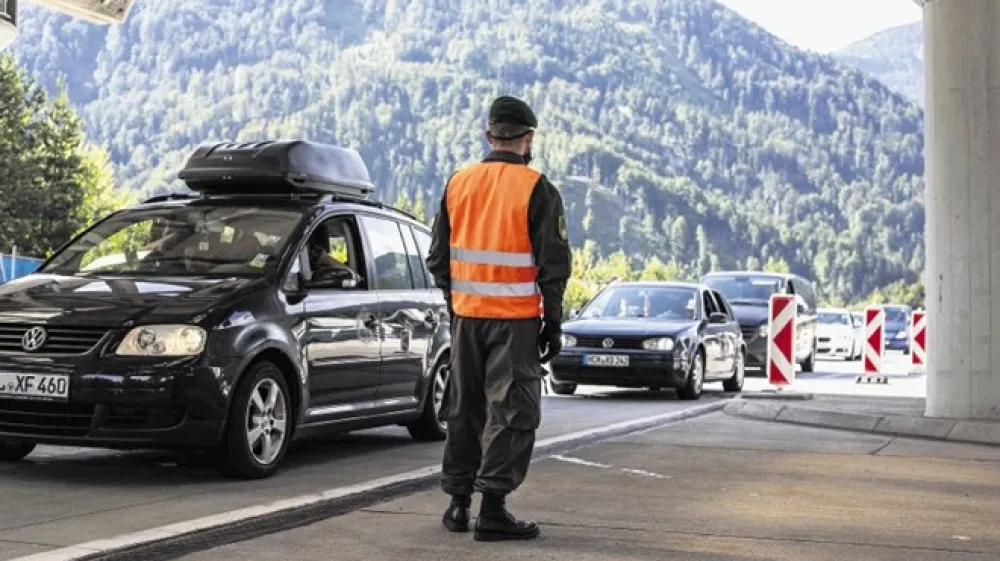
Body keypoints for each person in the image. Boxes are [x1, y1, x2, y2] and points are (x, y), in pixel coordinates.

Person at [426, 95, 572, 542]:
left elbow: (437, 258)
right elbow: (553, 265)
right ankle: (492, 510)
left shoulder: (459, 182)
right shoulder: (537, 188)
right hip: (515, 323)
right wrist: (553, 323)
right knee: (511, 412)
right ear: (527, 139)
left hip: (467, 320)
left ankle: (457, 506)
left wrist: (458, 305)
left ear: (490, 136)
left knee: (463, 409)